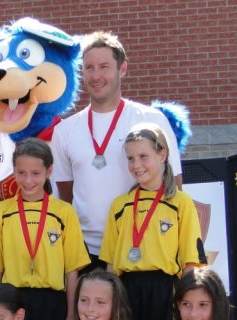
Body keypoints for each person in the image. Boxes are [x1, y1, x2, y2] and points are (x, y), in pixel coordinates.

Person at [52, 31, 183, 270]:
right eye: (89, 68)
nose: (96, 76)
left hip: (143, 245)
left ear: (122, 69)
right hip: (85, 251)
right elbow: (65, 196)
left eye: (104, 67)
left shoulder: (151, 119)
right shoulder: (64, 131)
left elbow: (174, 186)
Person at [100, 123, 206, 320]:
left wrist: (186, 303)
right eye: (130, 158)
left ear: (162, 154)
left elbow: (190, 262)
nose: (136, 165)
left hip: (165, 290)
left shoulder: (181, 202)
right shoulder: (120, 205)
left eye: (143, 156)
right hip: (126, 290)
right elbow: (110, 263)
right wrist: (111, 301)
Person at [0, 138, 90, 320]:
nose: (28, 180)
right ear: (13, 171)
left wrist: (71, 315)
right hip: (13, 302)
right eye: (21, 173)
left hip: (53, 303)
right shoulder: (0, 212)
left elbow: (71, 270)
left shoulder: (64, 212)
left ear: (49, 171)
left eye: (35, 173)